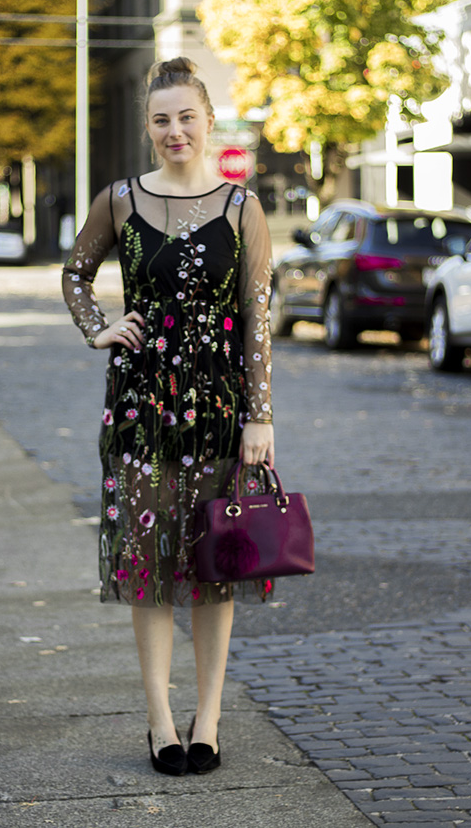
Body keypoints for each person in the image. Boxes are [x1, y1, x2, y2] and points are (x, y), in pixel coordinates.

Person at [62, 57, 274, 776]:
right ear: (147, 127)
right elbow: (74, 272)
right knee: (147, 570)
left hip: (218, 413)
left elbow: (256, 317)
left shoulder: (242, 208)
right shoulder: (119, 200)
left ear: (209, 121)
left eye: (186, 116)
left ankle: (207, 718)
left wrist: (260, 417)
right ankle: (158, 718)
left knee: (216, 566)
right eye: (161, 119)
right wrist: (96, 326)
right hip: (139, 414)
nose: (174, 130)